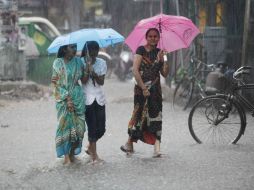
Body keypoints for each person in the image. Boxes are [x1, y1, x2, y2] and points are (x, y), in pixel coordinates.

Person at [120, 28, 170, 157]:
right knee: (139, 118)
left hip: (155, 91)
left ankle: (157, 148)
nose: (153, 38)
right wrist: (143, 88)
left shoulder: (160, 53)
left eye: (155, 36)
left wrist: (165, 60)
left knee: (156, 117)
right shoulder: (140, 50)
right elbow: (135, 71)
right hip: (141, 91)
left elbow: (164, 73)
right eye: (150, 36)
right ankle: (129, 143)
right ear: (146, 38)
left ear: (159, 38)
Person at [51, 44, 86, 165]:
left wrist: (88, 69)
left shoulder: (79, 62)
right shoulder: (57, 63)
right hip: (63, 100)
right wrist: (67, 97)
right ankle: (66, 157)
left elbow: (84, 80)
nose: (75, 49)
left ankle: (72, 154)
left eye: (76, 46)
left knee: (80, 129)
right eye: (72, 47)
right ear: (65, 48)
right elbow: (55, 83)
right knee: (65, 128)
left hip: (78, 99)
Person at [81, 41, 107, 163]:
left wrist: (94, 72)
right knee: (92, 127)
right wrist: (87, 69)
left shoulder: (102, 63)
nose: (94, 53)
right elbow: (84, 81)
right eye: (91, 50)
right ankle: (94, 156)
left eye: (96, 50)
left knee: (101, 129)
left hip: (99, 99)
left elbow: (101, 82)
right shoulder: (80, 62)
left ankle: (90, 146)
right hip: (87, 99)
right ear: (87, 52)